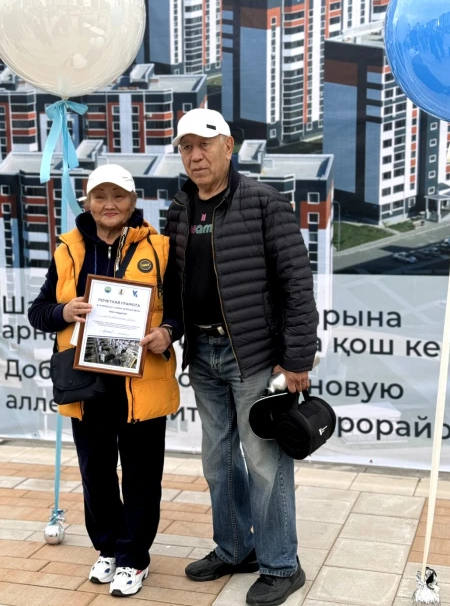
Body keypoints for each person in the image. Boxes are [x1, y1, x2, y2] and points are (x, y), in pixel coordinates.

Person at [142, 109, 318, 606]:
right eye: (186, 147)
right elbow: (177, 286)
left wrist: (297, 358)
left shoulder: (264, 203)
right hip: (202, 353)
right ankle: (236, 547)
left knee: (264, 463)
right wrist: (170, 330)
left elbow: (296, 284)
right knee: (218, 462)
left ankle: (281, 565)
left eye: (204, 144)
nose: (195, 156)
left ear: (228, 146)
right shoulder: (180, 209)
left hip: (255, 356)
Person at [28, 164, 179, 598]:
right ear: (88, 202)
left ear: (133, 201)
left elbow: (180, 308)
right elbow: (39, 311)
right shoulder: (68, 250)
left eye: (118, 196)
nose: (109, 204)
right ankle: (109, 548)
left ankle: (134, 558)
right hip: (87, 384)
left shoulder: (160, 248)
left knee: (141, 476)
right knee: (95, 473)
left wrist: (168, 332)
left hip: (140, 382)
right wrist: (64, 311)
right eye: (100, 196)